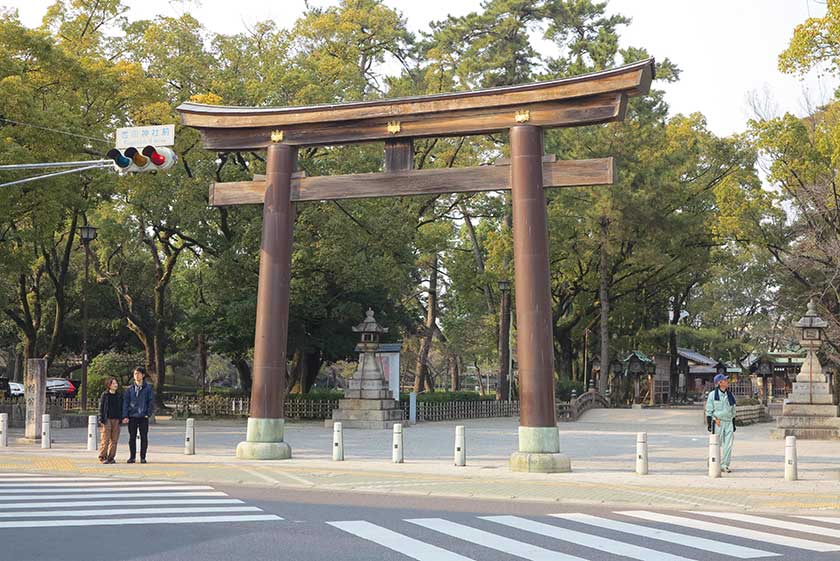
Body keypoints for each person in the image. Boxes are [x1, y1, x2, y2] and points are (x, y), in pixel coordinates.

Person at [122, 366, 154, 464]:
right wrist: (125, 416)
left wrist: (148, 414)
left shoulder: (148, 388)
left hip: (143, 416)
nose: (136, 376)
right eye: (135, 374)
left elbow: (151, 402)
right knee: (132, 437)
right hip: (132, 416)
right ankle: (132, 457)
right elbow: (126, 403)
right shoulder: (130, 389)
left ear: (143, 375)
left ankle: (143, 457)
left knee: (144, 437)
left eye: (138, 374)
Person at [706, 373, 736, 473]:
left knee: (728, 445)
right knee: (716, 444)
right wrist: (710, 423)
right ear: (719, 383)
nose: (727, 382)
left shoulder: (730, 395)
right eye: (725, 380)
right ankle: (712, 461)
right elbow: (709, 410)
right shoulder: (712, 395)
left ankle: (724, 465)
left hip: (729, 422)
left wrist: (733, 423)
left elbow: (733, 410)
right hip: (718, 422)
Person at [97, 377, 123, 464]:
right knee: (105, 438)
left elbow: (121, 407)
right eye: (113, 383)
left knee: (114, 439)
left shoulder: (119, 395)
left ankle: (111, 457)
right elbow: (101, 407)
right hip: (107, 419)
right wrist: (101, 418)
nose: (116, 385)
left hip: (116, 419)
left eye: (116, 383)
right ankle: (102, 456)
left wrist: (121, 418)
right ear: (109, 385)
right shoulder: (105, 395)